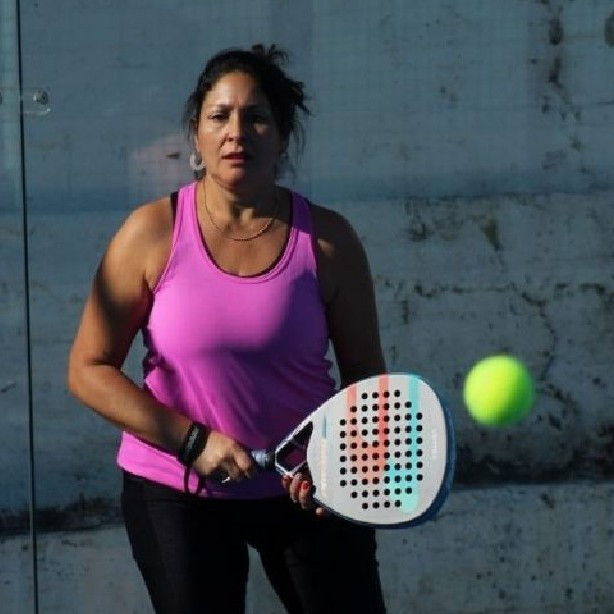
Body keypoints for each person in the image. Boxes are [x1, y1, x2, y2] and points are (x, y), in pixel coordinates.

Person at [68, 44, 387, 614]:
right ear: (197, 133)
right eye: (220, 116)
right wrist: (192, 442)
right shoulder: (150, 232)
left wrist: (336, 459)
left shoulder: (329, 241)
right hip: (175, 486)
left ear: (282, 137)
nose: (237, 132)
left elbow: (366, 378)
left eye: (256, 117)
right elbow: (88, 370)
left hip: (304, 488)